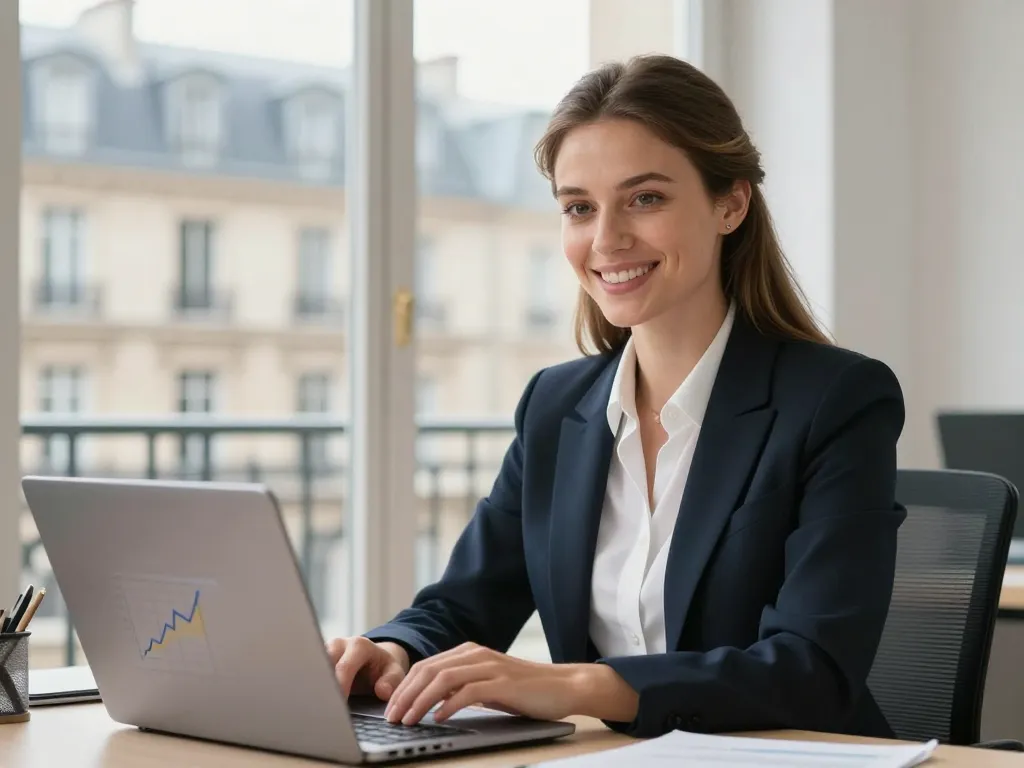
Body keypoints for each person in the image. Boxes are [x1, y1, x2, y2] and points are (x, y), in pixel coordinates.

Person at [326, 54, 905, 740]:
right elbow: (463, 604)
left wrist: (573, 684)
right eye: (579, 207)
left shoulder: (836, 401)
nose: (606, 240)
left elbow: (811, 671)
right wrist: (393, 651)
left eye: (646, 198)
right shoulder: (556, 406)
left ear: (731, 203)